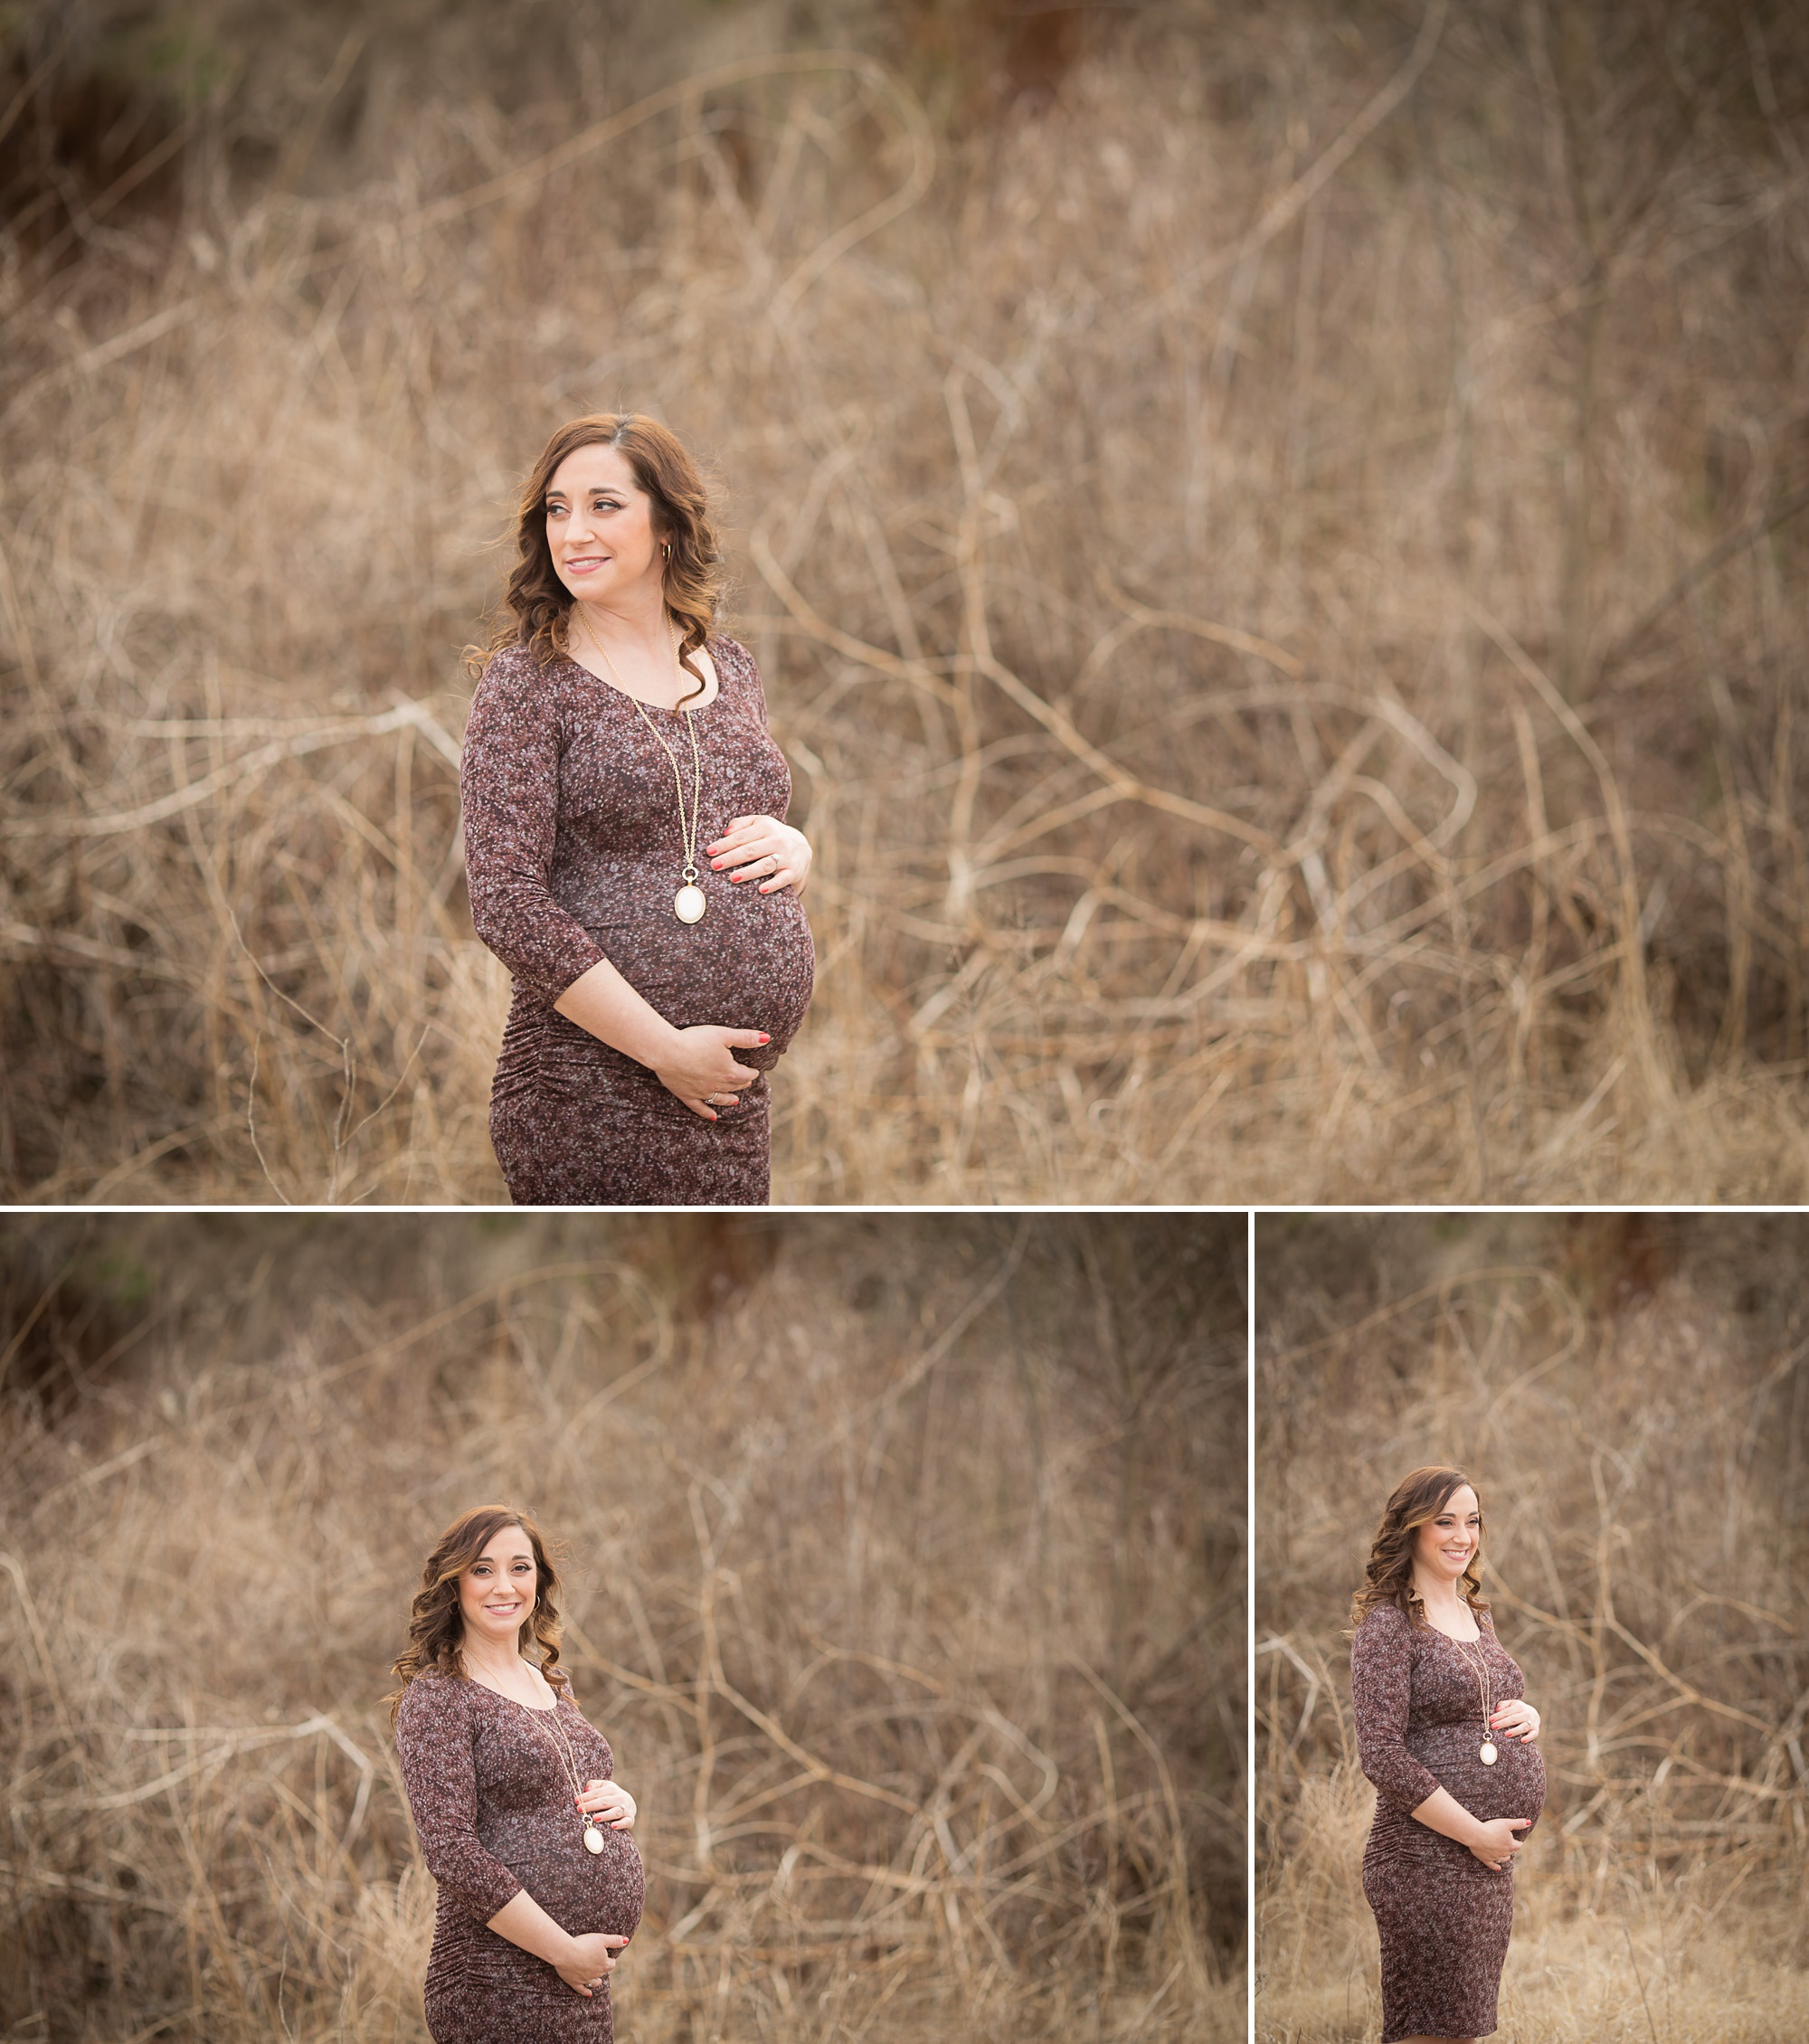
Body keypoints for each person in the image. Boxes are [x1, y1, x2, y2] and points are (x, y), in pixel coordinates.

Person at [461, 412, 815, 1204]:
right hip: (589, 1090)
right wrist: (661, 1048)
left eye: (604, 505)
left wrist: (797, 850)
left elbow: (716, 827)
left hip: (725, 1104)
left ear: (667, 523)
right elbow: (506, 903)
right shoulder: (528, 685)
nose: (574, 531)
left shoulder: (730, 666)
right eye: (557, 509)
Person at [389, 1506, 644, 2044]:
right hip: (496, 1981)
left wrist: (621, 1803)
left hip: (579, 1983)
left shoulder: (553, 1682)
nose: (504, 1586)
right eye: (483, 1569)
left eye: (520, 1568)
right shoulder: (439, 1697)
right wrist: (562, 1950)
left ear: (539, 1581)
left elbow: (559, 1795)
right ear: (453, 1584)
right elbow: (451, 1850)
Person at [1348, 1466, 1545, 2044]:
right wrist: (1473, 1833)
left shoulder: (1477, 1616)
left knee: (1460, 2032)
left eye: (1473, 1521)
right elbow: (1381, 1755)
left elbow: (1490, 1702)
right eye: (1445, 1522)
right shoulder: (1388, 1626)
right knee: (1427, 2033)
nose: (1463, 1536)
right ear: (1410, 1530)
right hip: (1421, 1859)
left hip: (1483, 1867)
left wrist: (1530, 1717)